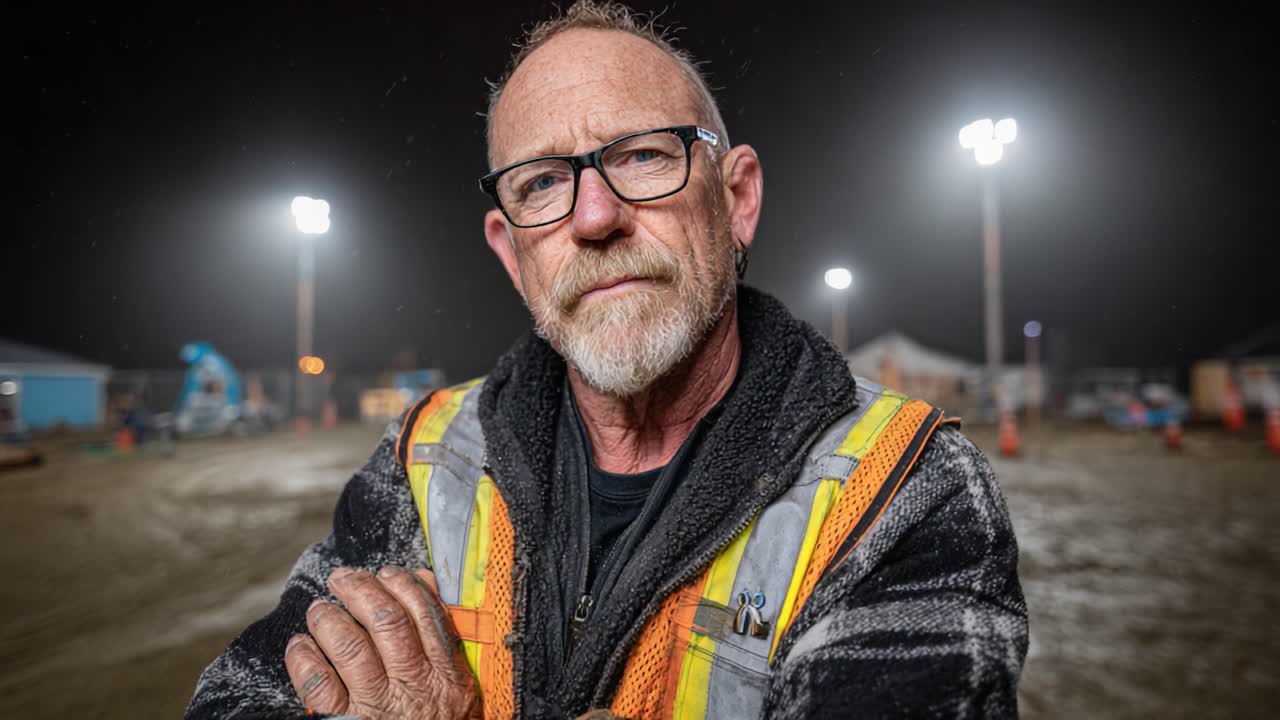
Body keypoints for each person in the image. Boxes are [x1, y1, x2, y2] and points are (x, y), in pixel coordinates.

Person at [186, 2, 1027, 718]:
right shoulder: (428, 456)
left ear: (737, 200)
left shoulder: (903, 487)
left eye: (642, 156)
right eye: (542, 183)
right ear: (513, 254)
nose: (594, 216)